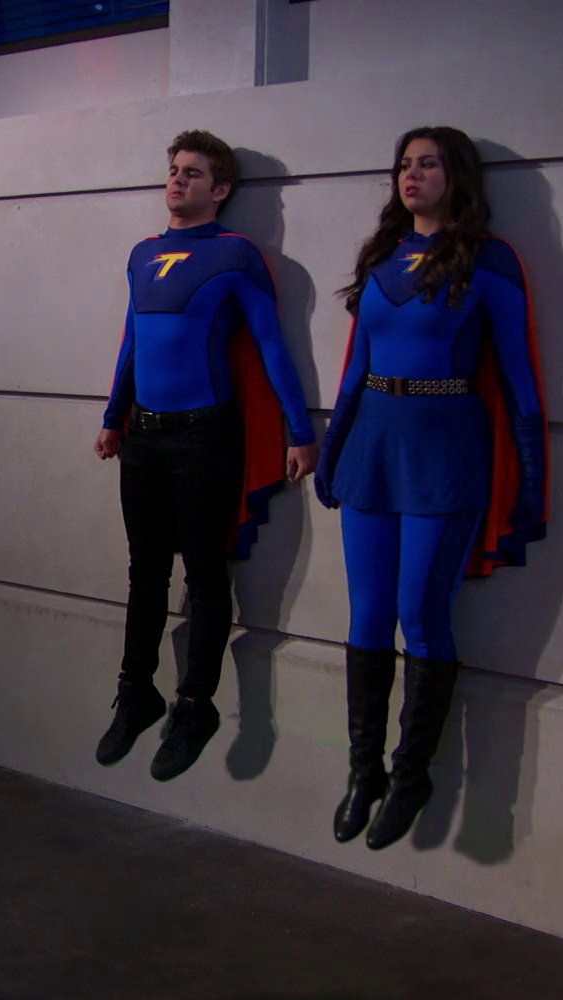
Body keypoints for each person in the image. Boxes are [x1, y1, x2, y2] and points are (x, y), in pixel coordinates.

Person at [314, 125, 548, 851]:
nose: (411, 175)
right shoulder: (382, 256)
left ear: (458, 176)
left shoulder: (488, 259)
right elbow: (356, 369)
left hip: (446, 452)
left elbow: (520, 382)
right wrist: (332, 451)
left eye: (429, 164)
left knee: (420, 610)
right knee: (367, 614)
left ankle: (409, 773)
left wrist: (534, 481)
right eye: (405, 165)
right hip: (372, 450)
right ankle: (364, 772)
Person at [92, 130, 320, 781]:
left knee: (205, 574)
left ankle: (196, 705)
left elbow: (272, 344)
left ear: (220, 189)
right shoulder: (143, 254)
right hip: (144, 435)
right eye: (173, 169)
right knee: (144, 571)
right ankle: (136, 692)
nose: (177, 179)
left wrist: (300, 430)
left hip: (203, 437)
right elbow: (132, 343)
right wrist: (113, 418)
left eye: (192, 172)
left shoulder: (235, 254)